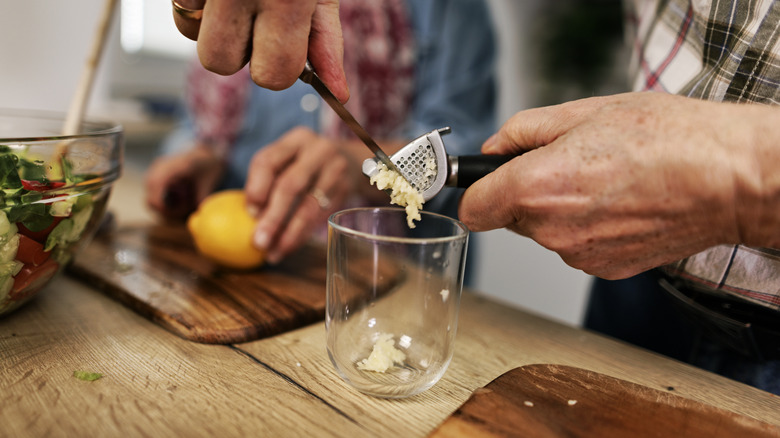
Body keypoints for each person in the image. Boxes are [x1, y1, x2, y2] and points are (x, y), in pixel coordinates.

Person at [167, 0, 780, 394]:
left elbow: (456, 124)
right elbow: (204, 116)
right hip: (644, 289)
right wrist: (195, 153)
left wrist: (735, 180)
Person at [150, 0, 497, 270]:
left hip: (400, 291)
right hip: (242, 277)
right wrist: (198, 156)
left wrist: (358, 167)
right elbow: (194, 122)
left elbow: (465, 150)